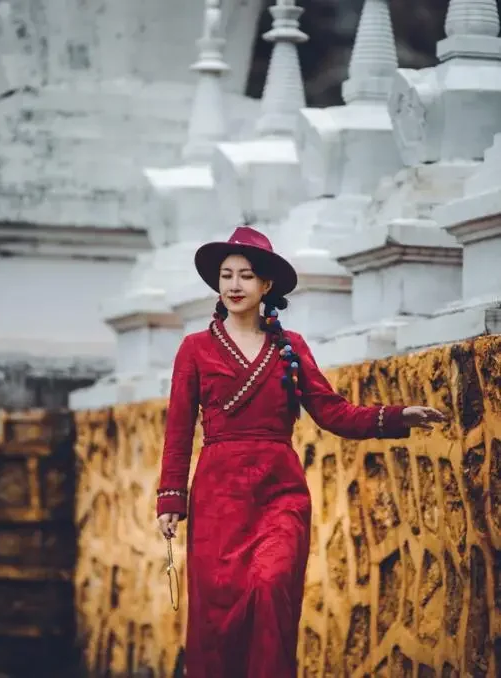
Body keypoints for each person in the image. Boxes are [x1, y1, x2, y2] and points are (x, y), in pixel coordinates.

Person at [156, 226, 446, 678]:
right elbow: (177, 433)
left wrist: (395, 417)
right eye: (226, 275)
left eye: (246, 276)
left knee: (271, 588)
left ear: (266, 285)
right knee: (220, 619)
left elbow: (334, 413)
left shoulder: (290, 348)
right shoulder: (193, 349)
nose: (234, 285)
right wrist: (171, 500)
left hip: (279, 494)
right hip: (218, 498)